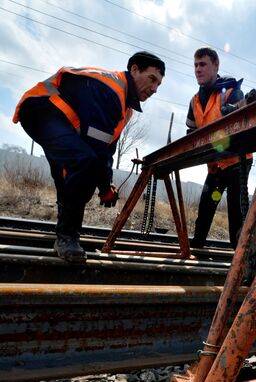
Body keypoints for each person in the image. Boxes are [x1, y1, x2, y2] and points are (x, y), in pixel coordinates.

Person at [13, 51, 165, 263]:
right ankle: (67, 237)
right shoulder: (111, 90)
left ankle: (63, 228)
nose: (155, 89)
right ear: (134, 70)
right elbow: (96, 148)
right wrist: (104, 188)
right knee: (84, 162)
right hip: (43, 109)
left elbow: (107, 147)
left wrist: (106, 184)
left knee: (71, 171)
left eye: (159, 84)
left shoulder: (125, 107)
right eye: (152, 79)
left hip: (61, 120)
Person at [186, 47, 254, 250]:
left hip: (236, 163)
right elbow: (191, 133)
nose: (198, 69)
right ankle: (196, 250)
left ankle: (239, 259)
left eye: (203, 64)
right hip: (215, 166)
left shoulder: (231, 94)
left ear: (216, 66)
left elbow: (243, 127)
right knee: (208, 203)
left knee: (236, 208)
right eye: (196, 65)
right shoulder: (195, 101)